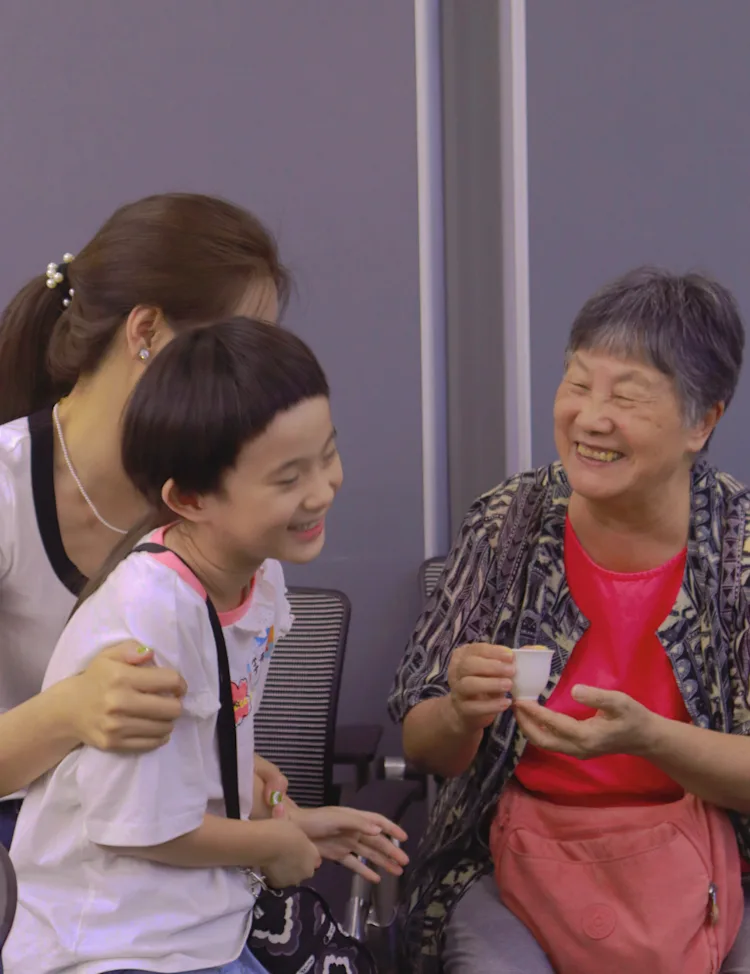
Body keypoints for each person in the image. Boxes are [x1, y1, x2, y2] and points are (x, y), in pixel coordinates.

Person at [5, 317, 408, 974]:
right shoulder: (153, 617)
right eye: (288, 478)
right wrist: (272, 845)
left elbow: (197, 757)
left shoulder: (260, 573)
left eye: (327, 455)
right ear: (189, 498)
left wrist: (284, 813)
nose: (322, 490)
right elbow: (141, 827)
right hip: (108, 943)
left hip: (199, 924)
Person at [389, 267, 750, 974]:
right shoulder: (507, 524)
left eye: (627, 396)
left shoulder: (739, 548)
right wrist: (460, 711)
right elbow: (424, 749)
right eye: (578, 384)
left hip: (710, 866)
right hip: (511, 864)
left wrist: (649, 738)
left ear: (703, 421)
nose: (590, 418)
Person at [0, 193, 292, 845]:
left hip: (152, 859)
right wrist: (70, 711)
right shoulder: (8, 488)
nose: (255, 386)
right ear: (147, 332)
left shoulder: (217, 504)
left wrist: (241, 781)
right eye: (233, 351)